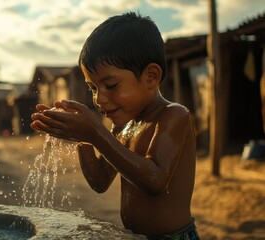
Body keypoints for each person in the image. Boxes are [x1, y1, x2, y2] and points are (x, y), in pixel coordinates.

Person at [30, 12, 199, 239]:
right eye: (93, 88)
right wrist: (83, 138)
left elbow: (155, 180)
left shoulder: (174, 116)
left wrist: (96, 134)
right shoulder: (122, 127)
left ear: (150, 77)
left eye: (110, 85)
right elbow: (100, 181)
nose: (99, 99)